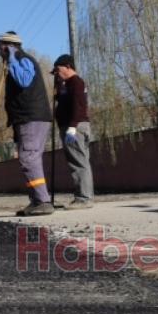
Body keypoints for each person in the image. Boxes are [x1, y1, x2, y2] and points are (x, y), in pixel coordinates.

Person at [0, 31, 54, 216]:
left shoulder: (22, 59)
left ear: (7, 46)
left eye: (0, 48)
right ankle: (36, 200)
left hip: (31, 117)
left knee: (29, 158)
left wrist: (12, 58)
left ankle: (43, 201)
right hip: (25, 118)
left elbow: (24, 80)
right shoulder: (18, 60)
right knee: (28, 158)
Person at [52, 54, 93, 208]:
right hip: (76, 126)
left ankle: (83, 198)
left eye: (58, 69)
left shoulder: (76, 82)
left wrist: (72, 126)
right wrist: (59, 86)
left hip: (74, 127)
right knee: (81, 161)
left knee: (78, 162)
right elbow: (64, 101)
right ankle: (85, 196)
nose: (57, 73)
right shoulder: (69, 84)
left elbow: (79, 105)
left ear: (68, 67)